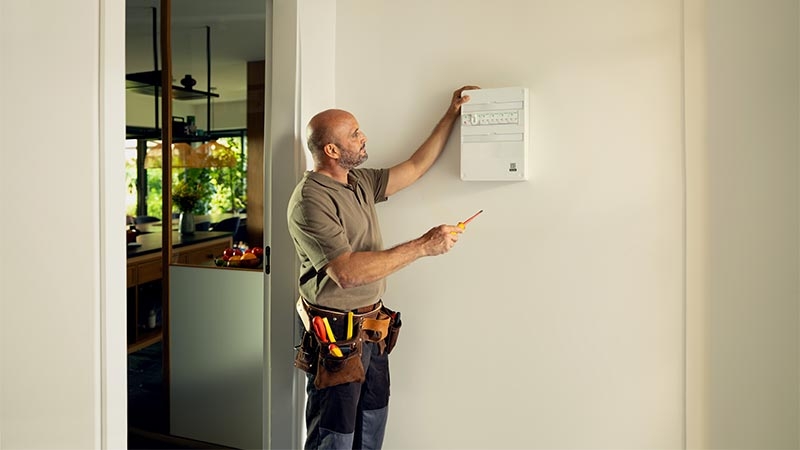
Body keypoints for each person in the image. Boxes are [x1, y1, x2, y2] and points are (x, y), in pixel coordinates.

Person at [287, 85, 479, 449]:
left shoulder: (358, 182)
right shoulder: (310, 201)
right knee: (335, 439)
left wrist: (451, 113)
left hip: (373, 335)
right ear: (331, 150)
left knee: (371, 431)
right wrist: (424, 246)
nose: (364, 138)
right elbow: (346, 273)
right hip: (337, 342)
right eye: (354, 134)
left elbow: (416, 166)